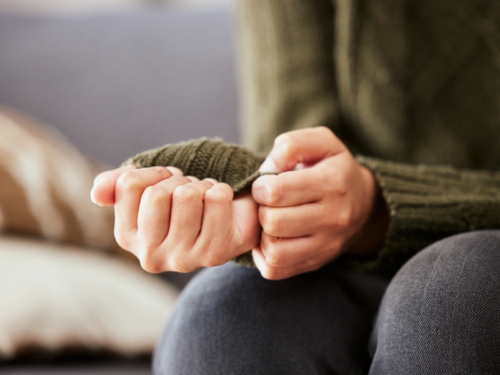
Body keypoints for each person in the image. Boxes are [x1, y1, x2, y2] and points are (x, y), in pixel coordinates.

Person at [91, 0, 500, 373]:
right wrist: (272, 208)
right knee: (222, 318)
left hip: (450, 251)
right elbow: (291, 146)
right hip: (356, 255)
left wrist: (373, 205)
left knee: (453, 296)